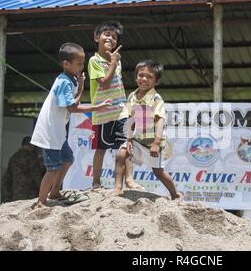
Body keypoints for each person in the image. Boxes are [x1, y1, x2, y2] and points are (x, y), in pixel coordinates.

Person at [30, 42, 112, 209]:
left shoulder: (71, 80)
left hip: (58, 132)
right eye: (80, 63)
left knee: (67, 160)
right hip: (50, 132)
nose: (82, 67)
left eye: (83, 63)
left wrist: (81, 86)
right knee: (53, 168)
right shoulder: (63, 82)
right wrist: (97, 107)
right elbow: (73, 107)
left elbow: (74, 101)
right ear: (66, 64)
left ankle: (54, 192)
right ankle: (41, 201)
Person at [112, 60, 181, 200]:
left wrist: (156, 144)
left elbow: (160, 121)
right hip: (137, 139)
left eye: (149, 77)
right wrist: (129, 139)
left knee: (158, 172)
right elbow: (131, 119)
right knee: (121, 154)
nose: (144, 79)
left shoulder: (156, 99)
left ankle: (175, 194)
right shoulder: (132, 96)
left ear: (157, 81)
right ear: (136, 77)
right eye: (141, 75)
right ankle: (118, 188)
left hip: (153, 142)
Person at [88, 21, 139, 191]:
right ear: (96, 38)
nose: (110, 38)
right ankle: (96, 183)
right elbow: (103, 83)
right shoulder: (94, 60)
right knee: (100, 149)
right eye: (106, 34)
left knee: (125, 146)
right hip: (102, 113)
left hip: (120, 112)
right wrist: (114, 63)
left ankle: (129, 181)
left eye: (114, 36)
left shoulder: (116, 60)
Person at [1, 136, 44, 202]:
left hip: (16, 194)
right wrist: (44, 192)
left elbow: (7, 178)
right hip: (29, 194)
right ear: (31, 146)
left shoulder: (13, 157)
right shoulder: (31, 157)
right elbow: (36, 176)